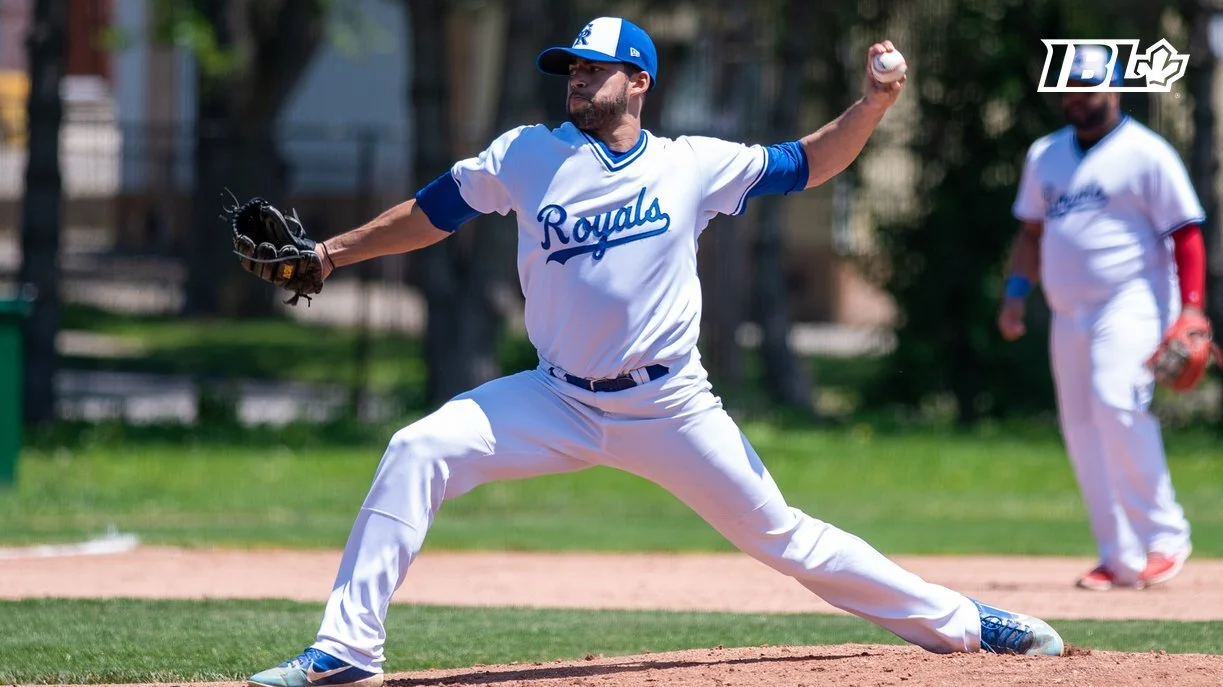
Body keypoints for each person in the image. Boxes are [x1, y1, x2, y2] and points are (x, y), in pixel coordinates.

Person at [248, 17, 1063, 687]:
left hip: (668, 403)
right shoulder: (527, 155)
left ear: (638, 80)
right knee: (415, 445)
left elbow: (810, 163)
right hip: (555, 398)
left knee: (782, 534)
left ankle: (963, 623)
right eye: (569, 68)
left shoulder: (690, 165)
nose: (575, 79)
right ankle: (348, 650)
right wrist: (329, 253)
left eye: (593, 69)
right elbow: (433, 211)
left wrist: (875, 103)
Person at [999, 45, 1201, 592]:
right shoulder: (1046, 155)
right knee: (1082, 429)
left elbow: (1186, 233)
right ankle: (1118, 555)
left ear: (1113, 90)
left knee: (1118, 400)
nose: (1075, 101)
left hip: (1133, 299)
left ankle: (1165, 537)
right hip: (1068, 310)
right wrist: (1016, 294)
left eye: (1085, 90)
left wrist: (1193, 309)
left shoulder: (1146, 152)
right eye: (1068, 91)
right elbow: (1032, 233)